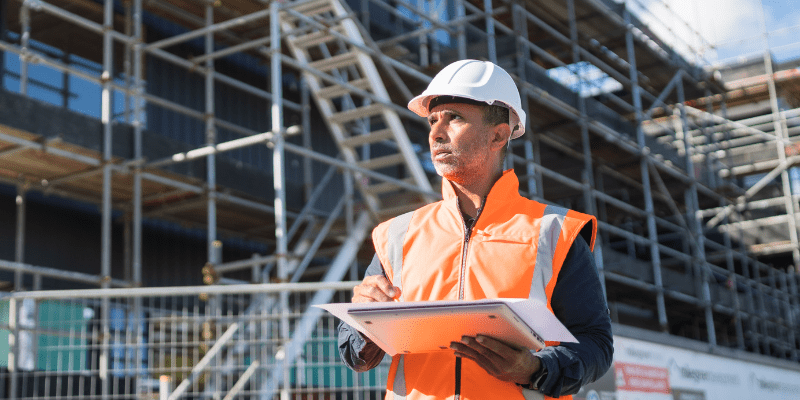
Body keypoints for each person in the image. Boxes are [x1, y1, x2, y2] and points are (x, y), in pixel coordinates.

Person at [337, 59, 613, 400]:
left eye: (454, 118)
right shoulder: (398, 234)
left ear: (498, 135)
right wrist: (364, 325)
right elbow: (353, 352)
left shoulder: (555, 233)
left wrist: (535, 369)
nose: (436, 133)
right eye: (433, 120)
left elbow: (595, 344)